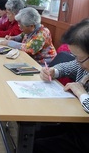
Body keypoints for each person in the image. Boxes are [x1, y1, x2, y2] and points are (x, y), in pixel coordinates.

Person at [33, 18, 89, 153]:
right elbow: (69, 66)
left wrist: (81, 93)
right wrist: (53, 71)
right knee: (34, 135)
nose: (77, 61)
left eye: (79, 58)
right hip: (76, 123)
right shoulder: (82, 63)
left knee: (37, 145)